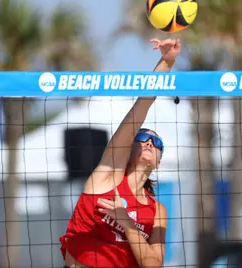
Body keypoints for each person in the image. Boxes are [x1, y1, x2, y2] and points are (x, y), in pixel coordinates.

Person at [59, 38, 181, 268]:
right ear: (128, 148)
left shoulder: (156, 210)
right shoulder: (107, 179)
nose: (149, 143)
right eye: (143, 137)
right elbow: (140, 109)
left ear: (159, 162)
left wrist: (127, 223)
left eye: (156, 142)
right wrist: (166, 62)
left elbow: (154, 265)